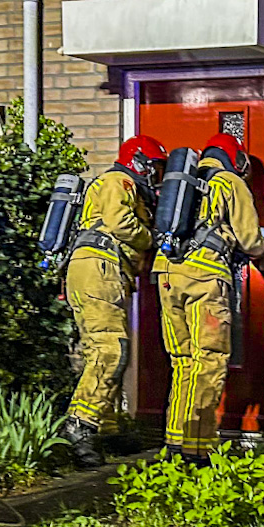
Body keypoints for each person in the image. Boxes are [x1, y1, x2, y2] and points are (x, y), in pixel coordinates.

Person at [154, 133, 264, 465]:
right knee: (210, 360)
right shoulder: (229, 182)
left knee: (183, 360)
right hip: (205, 280)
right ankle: (198, 449)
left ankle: (175, 441)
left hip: (167, 276)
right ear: (234, 158)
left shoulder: (182, 182)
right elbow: (250, 239)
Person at [62, 135, 166, 468]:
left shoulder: (121, 184)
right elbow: (121, 223)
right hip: (99, 268)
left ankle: (107, 428)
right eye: (154, 168)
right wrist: (153, 238)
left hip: (99, 269)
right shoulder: (117, 181)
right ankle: (79, 424)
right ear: (138, 163)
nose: (156, 177)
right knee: (111, 350)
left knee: (103, 351)